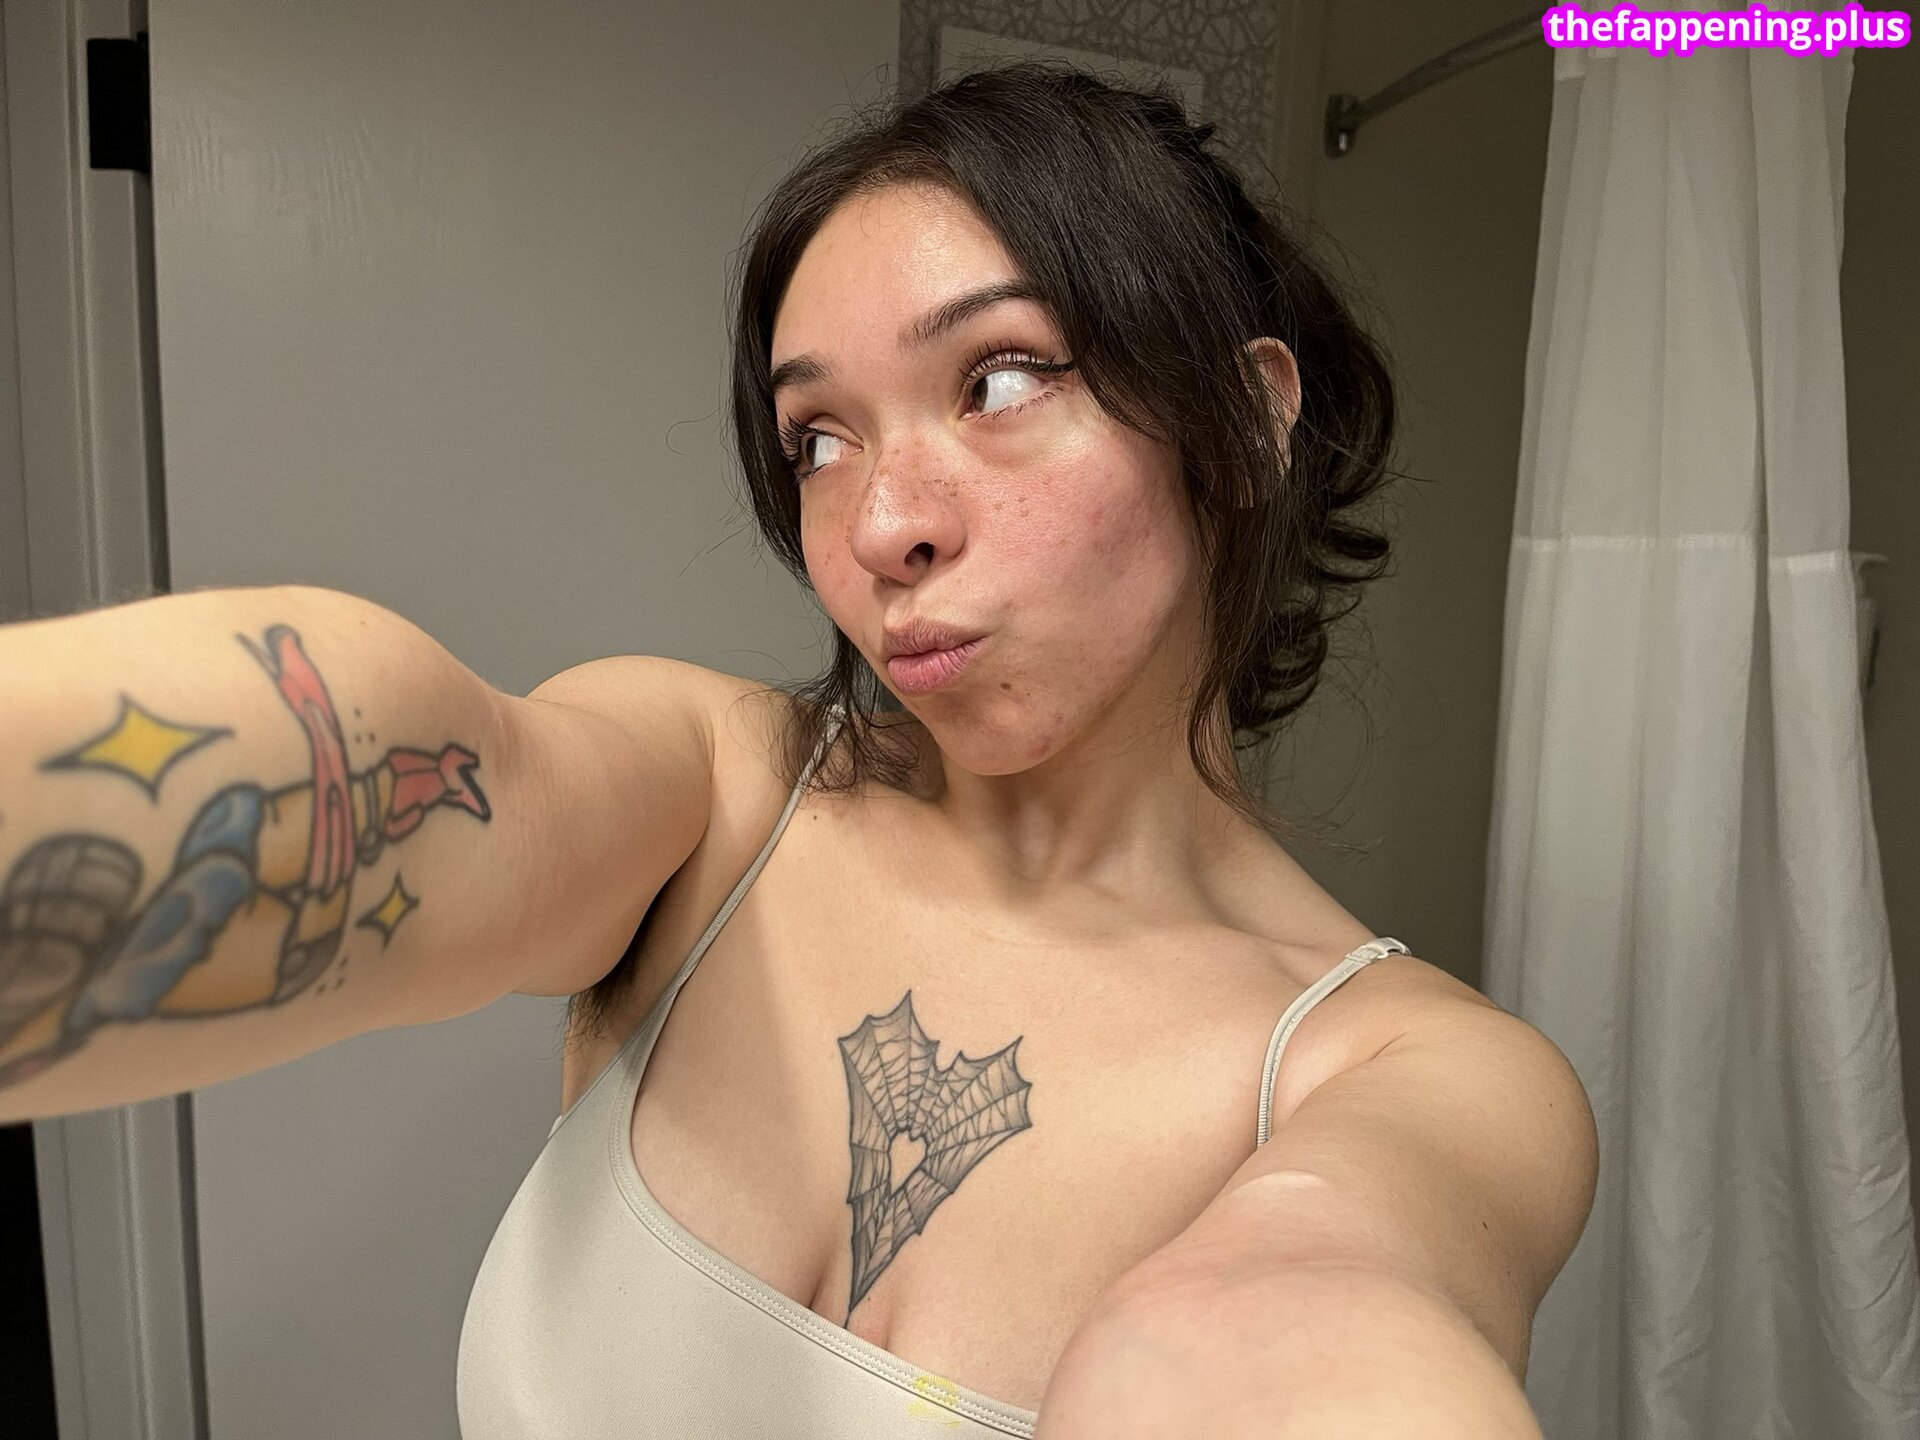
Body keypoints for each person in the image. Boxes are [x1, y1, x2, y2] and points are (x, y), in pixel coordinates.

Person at [0, 62, 1596, 1439]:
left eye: (999, 379)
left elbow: (1334, 1295)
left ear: (1244, 425)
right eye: (819, 438)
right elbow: (408, 777)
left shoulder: (1417, 1071)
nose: (883, 523)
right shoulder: (719, 798)